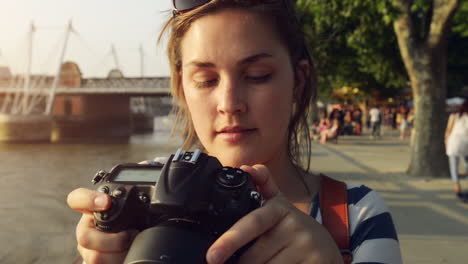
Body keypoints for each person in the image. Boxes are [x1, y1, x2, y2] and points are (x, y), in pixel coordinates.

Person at [67, 1, 402, 263]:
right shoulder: (140, 190)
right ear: (182, 88)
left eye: (257, 75)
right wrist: (99, 252)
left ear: (297, 82)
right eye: (206, 81)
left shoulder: (355, 214)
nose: (229, 103)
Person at [444, 100, 468, 202]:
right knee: (467, 165)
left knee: (454, 166)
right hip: (466, 143)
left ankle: (457, 188)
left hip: (453, 142)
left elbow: (448, 131)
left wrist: (446, 143)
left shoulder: (454, 116)